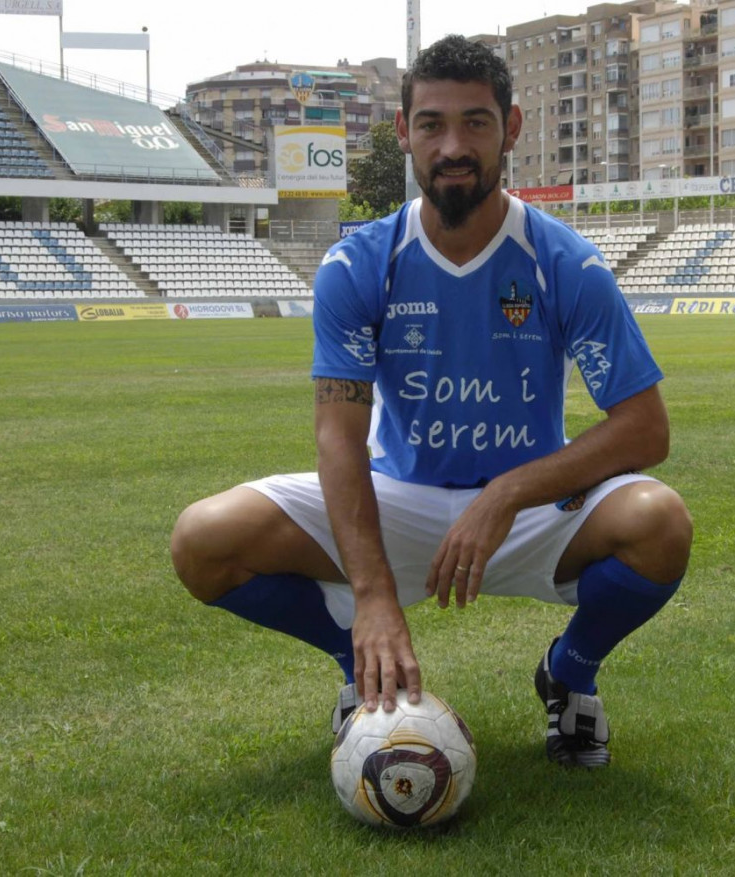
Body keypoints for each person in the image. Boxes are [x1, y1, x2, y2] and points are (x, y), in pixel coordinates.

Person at [171, 34, 693, 768]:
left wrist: (507, 493)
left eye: (476, 123)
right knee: (203, 539)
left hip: (531, 511)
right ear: (404, 133)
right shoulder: (359, 264)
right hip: (399, 501)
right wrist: (373, 598)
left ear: (510, 129)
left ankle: (569, 675)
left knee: (659, 523)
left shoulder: (567, 262)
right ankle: (363, 664)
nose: (454, 145)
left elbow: (646, 428)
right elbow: (337, 441)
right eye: (432, 124)